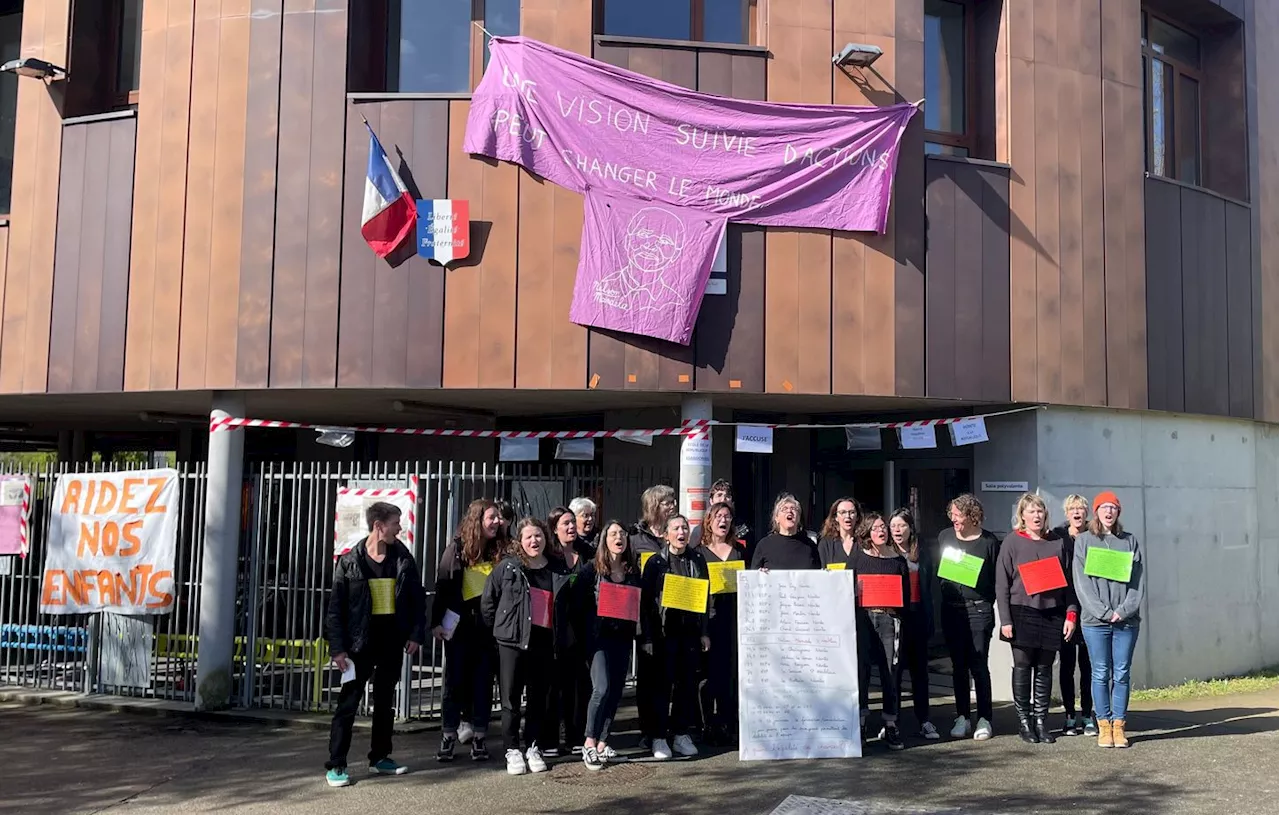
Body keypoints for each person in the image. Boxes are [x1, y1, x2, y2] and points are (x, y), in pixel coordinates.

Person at [324, 502, 426, 788]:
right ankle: (336, 764)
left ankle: (380, 757)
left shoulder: (403, 558)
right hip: (359, 645)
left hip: (391, 642)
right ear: (379, 526)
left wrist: (416, 634)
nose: (400, 527)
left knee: (385, 702)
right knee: (348, 704)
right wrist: (338, 648)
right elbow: (336, 610)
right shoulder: (349, 562)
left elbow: (417, 600)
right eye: (396, 522)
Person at [481, 517, 573, 776]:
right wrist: (500, 631)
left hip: (544, 641)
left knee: (538, 698)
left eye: (539, 536)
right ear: (520, 540)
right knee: (510, 698)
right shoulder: (508, 567)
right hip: (512, 642)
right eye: (529, 537)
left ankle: (533, 746)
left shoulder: (557, 567)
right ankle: (512, 749)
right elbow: (489, 603)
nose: (535, 541)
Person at [996, 493, 1078, 745]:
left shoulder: (1057, 542)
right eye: (1031, 511)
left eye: (1040, 511)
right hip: (1021, 611)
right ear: (1022, 515)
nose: (1037, 516)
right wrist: (1005, 620)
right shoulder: (1012, 542)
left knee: (1044, 668)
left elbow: (1069, 583)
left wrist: (1071, 614)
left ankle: (1041, 721)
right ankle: (1024, 722)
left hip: (1052, 613)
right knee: (1023, 667)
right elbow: (1002, 584)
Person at [431, 499, 505, 762]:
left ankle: (480, 737)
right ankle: (449, 735)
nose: (497, 522)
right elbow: (443, 586)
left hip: (488, 629)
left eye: (498, 517)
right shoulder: (457, 550)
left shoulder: (500, 550)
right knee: (455, 682)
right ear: (477, 520)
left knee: (483, 682)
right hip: (460, 628)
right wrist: (436, 622)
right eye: (491, 517)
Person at [1073, 492, 1144, 750]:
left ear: (1118, 512)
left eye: (1113, 507)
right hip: (1095, 621)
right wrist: (1104, 612)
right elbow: (1081, 584)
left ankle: (1119, 725)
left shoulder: (1130, 541)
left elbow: (1137, 582)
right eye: (1103, 507)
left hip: (1126, 621)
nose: (1108, 511)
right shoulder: (1084, 541)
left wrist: (1123, 611)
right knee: (1100, 673)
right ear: (1096, 511)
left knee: (1122, 673)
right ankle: (1103, 725)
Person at [640, 513, 711, 760]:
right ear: (666, 534)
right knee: (662, 686)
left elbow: (705, 596)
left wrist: (704, 632)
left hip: (689, 632)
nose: (681, 532)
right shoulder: (655, 563)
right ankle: (658, 737)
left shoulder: (697, 559)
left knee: (687, 684)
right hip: (663, 634)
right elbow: (646, 603)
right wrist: (647, 637)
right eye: (676, 528)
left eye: (685, 528)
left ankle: (681, 733)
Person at [937, 494, 1001, 741]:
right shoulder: (945, 537)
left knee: (978, 664)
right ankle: (962, 716)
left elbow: (996, 579)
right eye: (952, 514)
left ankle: (985, 718)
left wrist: (988, 605)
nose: (954, 519)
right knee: (958, 666)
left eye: (959, 515)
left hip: (979, 609)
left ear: (972, 516)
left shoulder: (988, 542)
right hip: (952, 608)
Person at [581, 520, 642, 770]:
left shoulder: (631, 572)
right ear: (605, 540)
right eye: (613, 534)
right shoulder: (591, 570)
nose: (619, 538)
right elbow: (579, 605)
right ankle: (588, 742)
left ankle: (603, 744)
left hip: (622, 638)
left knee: (616, 690)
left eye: (622, 534)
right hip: (599, 639)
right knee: (601, 688)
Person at [852, 512, 910, 751]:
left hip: (890, 619)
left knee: (890, 671)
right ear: (866, 532)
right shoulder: (857, 558)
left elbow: (905, 595)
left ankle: (890, 724)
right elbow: (846, 589)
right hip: (863, 619)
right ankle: (861, 722)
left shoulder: (898, 560)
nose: (881, 531)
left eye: (883, 527)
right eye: (876, 528)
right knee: (862, 670)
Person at [543, 506, 594, 757]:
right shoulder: (549, 558)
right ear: (554, 528)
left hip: (581, 630)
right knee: (554, 686)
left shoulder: (585, 554)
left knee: (579, 685)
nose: (572, 527)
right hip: (555, 631)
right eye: (566, 523)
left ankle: (575, 736)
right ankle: (550, 739)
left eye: (573, 522)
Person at [630, 484, 677, 746]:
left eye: (673, 502)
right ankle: (648, 730)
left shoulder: (673, 536)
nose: (672, 506)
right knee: (647, 678)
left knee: (668, 677)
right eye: (666, 502)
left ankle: (666, 726)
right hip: (646, 616)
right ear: (653, 507)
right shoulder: (636, 539)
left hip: (673, 615)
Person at [698, 501, 746, 745]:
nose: (723, 521)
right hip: (712, 622)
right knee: (710, 676)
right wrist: (703, 630)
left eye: (727, 516)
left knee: (733, 674)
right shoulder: (700, 553)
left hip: (736, 621)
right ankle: (709, 724)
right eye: (718, 516)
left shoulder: (740, 551)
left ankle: (730, 724)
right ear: (709, 521)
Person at [889, 508, 938, 740]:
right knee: (895, 672)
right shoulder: (886, 553)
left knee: (920, 673)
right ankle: (893, 721)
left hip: (918, 616)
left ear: (910, 528)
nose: (897, 530)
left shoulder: (923, 552)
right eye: (894, 526)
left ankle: (924, 720)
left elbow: (931, 585)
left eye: (902, 526)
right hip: (896, 618)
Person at [1054, 494, 1096, 737]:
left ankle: (1088, 714)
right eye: (1072, 508)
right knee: (1067, 664)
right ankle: (1070, 715)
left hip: (1090, 607)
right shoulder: (1057, 536)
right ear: (1066, 512)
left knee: (1088, 665)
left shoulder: (1095, 535)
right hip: (1064, 609)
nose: (1077, 512)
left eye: (1081, 508)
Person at [750, 493, 821, 570]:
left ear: (799, 518)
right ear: (776, 518)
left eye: (793, 509)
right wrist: (760, 574)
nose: (789, 511)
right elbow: (753, 576)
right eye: (784, 509)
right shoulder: (764, 545)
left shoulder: (810, 545)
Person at [690, 479, 751, 548]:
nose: (723, 499)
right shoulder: (700, 530)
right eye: (719, 495)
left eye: (727, 496)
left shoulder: (743, 529)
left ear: (732, 502)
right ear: (711, 501)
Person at [817, 497, 861, 568]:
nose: (848, 516)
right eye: (843, 512)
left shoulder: (864, 542)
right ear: (836, 517)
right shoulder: (826, 544)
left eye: (852, 512)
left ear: (858, 517)